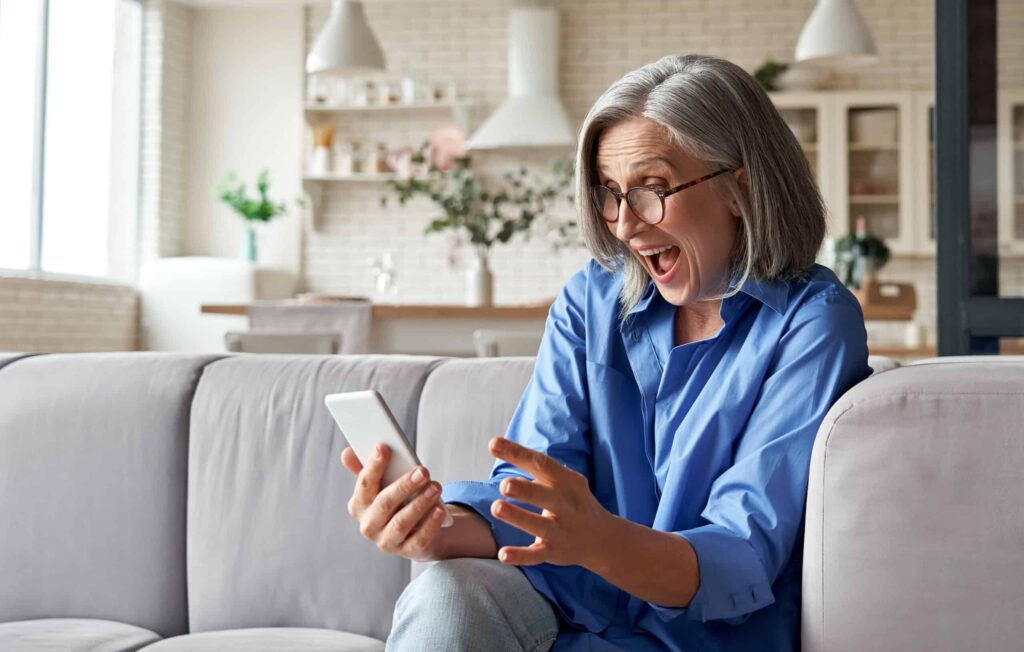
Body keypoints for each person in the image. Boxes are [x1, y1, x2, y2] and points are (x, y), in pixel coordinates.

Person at [339, 53, 870, 651]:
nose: (623, 225)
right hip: (570, 618)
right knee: (445, 593)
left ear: (738, 188)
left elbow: (742, 552)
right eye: (610, 194)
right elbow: (534, 489)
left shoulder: (814, 322)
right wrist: (433, 529)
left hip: (699, 640)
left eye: (652, 189)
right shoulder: (589, 301)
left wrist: (598, 540)